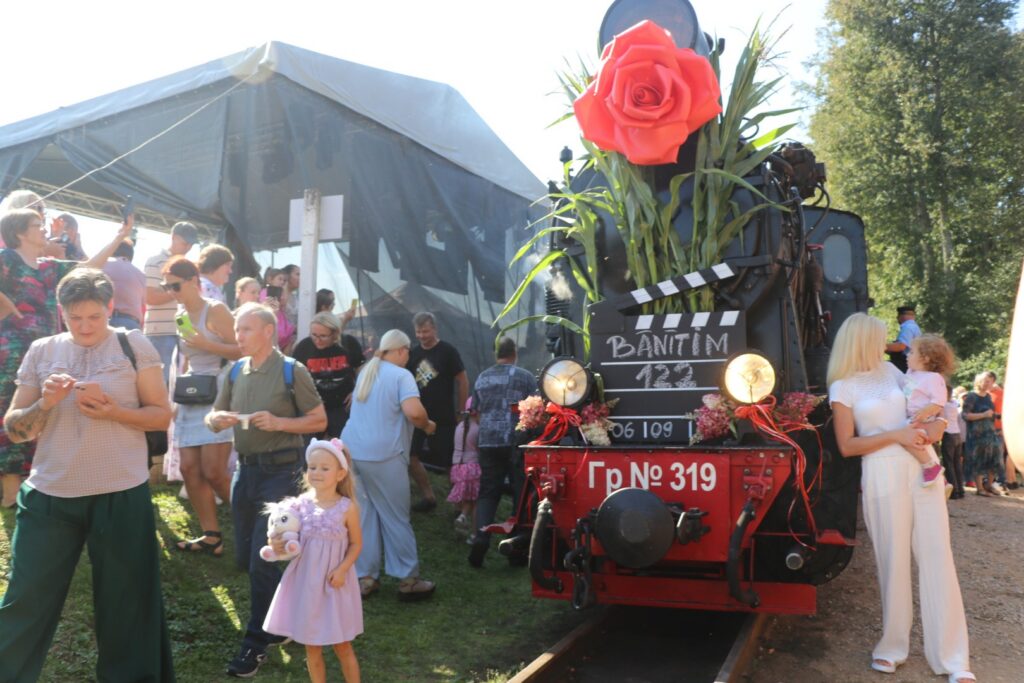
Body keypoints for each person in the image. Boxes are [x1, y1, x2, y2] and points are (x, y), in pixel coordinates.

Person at [0, 268, 174, 681]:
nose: (84, 327)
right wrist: (45, 403)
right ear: (61, 313)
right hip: (50, 492)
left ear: (110, 308)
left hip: (120, 491)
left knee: (126, 603)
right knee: (25, 599)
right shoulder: (43, 350)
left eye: (94, 317)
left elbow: (161, 415)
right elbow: (15, 428)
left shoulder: (134, 345)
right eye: (75, 318)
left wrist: (115, 411)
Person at [827, 313, 972, 683]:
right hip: (882, 471)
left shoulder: (894, 373)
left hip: (923, 469)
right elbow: (847, 446)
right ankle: (892, 647)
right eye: (880, 337)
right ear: (862, 340)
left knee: (938, 555)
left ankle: (954, 658)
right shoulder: (843, 387)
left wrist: (937, 426)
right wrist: (897, 436)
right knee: (892, 560)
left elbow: (933, 405)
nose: (888, 343)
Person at [205, 302, 327, 678]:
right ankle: (280, 622)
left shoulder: (293, 371)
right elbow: (211, 417)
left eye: (245, 329)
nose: (237, 336)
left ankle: (255, 644)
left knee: (263, 557)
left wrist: (280, 423)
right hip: (245, 473)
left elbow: (320, 419)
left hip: (282, 474)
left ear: (267, 332)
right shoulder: (236, 371)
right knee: (246, 558)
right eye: (237, 330)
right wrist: (217, 419)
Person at [0, 208, 131, 507]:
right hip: (10, 350)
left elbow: (90, 267)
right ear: (19, 232)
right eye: (37, 225)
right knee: (11, 409)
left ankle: (32, 483)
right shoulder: (6, 259)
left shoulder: (49, 266)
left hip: (46, 351)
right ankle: (10, 493)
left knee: (45, 410)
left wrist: (119, 236)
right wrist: (9, 307)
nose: (44, 228)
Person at [341, 329, 437, 601]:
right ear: (401, 350)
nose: (408, 356)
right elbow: (414, 413)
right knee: (396, 517)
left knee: (365, 516)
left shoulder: (367, 372)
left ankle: (366, 577)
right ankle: (408, 579)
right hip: (383, 455)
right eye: (407, 351)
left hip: (352, 453)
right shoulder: (401, 375)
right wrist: (429, 426)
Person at [263, 439, 362, 683]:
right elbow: (281, 534)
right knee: (312, 646)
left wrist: (342, 569)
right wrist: (275, 544)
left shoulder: (347, 508)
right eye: (312, 467)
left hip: (335, 584)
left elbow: (356, 544)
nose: (316, 472)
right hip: (306, 584)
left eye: (324, 468)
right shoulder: (298, 506)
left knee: (342, 644)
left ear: (340, 473)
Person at [162, 256, 242, 556]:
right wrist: (175, 397)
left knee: (215, 471)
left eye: (175, 285)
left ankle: (251, 523)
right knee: (189, 469)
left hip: (218, 391)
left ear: (194, 282)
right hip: (192, 393)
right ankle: (212, 536)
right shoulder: (180, 315)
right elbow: (185, 358)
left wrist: (207, 345)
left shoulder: (216, 309)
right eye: (166, 286)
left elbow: (241, 350)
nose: (171, 292)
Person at [467, 337, 538, 568]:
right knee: (521, 493)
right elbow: (537, 410)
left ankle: (481, 537)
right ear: (514, 352)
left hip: (487, 440)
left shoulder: (482, 377)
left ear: (495, 352)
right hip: (516, 441)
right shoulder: (525, 377)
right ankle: (515, 550)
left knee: (488, 492)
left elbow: (474, 411)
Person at [407, 311, 468, 511]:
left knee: (450, 461)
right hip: (417, 415)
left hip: (444, 416)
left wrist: (461, 411)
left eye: (425, 331)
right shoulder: (413, 354)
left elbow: (462, 379)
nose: (422, 335)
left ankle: (458, 505)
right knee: (411, 456)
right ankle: (428, 496)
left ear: (434, 329)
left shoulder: (447, 351)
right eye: (418, 332)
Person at [292, 312, 365, 439]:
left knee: (341, 447)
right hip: (313, 408)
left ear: (335, 334)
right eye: (313, 335)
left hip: (342, 407)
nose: (317, 340)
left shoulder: (348, 343)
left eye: (323, 336)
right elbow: (294, 375)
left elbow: (362, 368)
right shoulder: (304, 346)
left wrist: (357, 390)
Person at [145, 221, 198, 384]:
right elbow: (151, 297)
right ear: (173, 238)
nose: (188, 247)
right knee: (163, 384)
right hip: (160, 332)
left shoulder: (190, 266)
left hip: (183, 329)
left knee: (181, 384)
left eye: (191, 244)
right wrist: (180, 288)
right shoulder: (155, 261)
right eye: (185, 242)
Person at [903, 334, 956, 488]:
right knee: (909, 439)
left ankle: (930, 466)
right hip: (912, 415)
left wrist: (926, 411)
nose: (907, 355)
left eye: (912, 352)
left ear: (925, 358)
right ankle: (941, 480)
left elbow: (939, 401)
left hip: (923, 417)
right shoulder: (910, 373)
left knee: (908, 439)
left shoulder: (933, 378)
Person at [962, 372, 1005, 497]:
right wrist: (983, 415)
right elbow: (965, 415)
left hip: (990, 433)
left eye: (990, 381)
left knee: (995, 459)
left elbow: (990, 414)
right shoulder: (971, 396)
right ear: (978, 381)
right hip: (977, 435)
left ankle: (988, 486)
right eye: (986, 380)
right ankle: (980, 489)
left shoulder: (988, 397)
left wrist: (999, 416)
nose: (988, 383)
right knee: (978, 461)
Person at [448, 400, 480, 537]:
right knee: (476, 501)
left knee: (465, 499)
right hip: (472, 467)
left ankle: (461, 518)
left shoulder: (460, 426)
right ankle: (474, 534)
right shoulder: (478, 430)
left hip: (457, 467)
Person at [103, 239, 147, 330]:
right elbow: (144, 307)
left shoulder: (103, 265)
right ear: (131, 257)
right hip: (131, 324)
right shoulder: (141, 275)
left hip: (104, 320)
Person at [261, 268, 296, 351]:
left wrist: (284, 290)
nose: (282, 282)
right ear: (270, 279)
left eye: (284, 280)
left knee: (289, 339)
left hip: (281, 319)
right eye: (279, 279)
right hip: (274, 318)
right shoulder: (265, 291)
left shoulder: (282, 291)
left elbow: (283, 304)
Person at [942, 384, 966, 500]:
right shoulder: (953, 404)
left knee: (949, 463)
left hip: (948, 435)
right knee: (957, 464)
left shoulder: (944, 405)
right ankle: (961, 489)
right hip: (957, 434)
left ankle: (954, 490)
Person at [885, 305, 921, 373]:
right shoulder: (914, 327)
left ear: (902, 316)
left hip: (905, 365)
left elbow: (901, 346)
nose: (897, 318)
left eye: (898, 316)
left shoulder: (908, 327)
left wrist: (879, 346)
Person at [282, 264, 300, 332]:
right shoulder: (279, 295)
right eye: (297, 274)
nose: (301, 278)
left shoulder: (296, 297)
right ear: (287, 276)